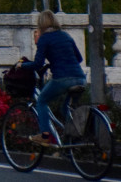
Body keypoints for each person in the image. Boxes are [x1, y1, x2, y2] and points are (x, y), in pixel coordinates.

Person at [18, 9, 86, 146]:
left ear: (41, 24)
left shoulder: (44, 39)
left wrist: (22, 65)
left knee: (42, 100)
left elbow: (38, 64)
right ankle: (72, 140)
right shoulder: (66, 36)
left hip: (62, 78)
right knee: (65, 109)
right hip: (80, 78)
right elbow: (79, 58)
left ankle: (45, 136)